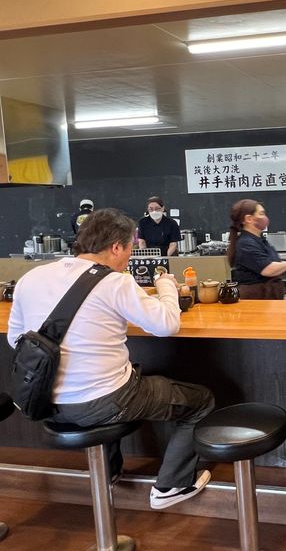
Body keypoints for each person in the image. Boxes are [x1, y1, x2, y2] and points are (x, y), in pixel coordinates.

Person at [7, 208, 215, 510]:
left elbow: (16, 339)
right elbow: (167, 324)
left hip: (44, 403)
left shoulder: (31, 278)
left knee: (120, 379)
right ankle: (172, 485)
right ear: (116, 247)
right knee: (200, 401)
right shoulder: (115, 282)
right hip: (105, 404)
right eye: (130, 248)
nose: (130, 256)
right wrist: (166, 286)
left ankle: (108, 472)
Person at [227, 199, 286, 300]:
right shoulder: (246, 243)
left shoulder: (259, 240)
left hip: (268, 297)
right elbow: (267, 269)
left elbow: (268, 261)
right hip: (256, 298)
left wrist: (284, 265)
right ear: (248, 219)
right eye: (261, 214)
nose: (265, 217)